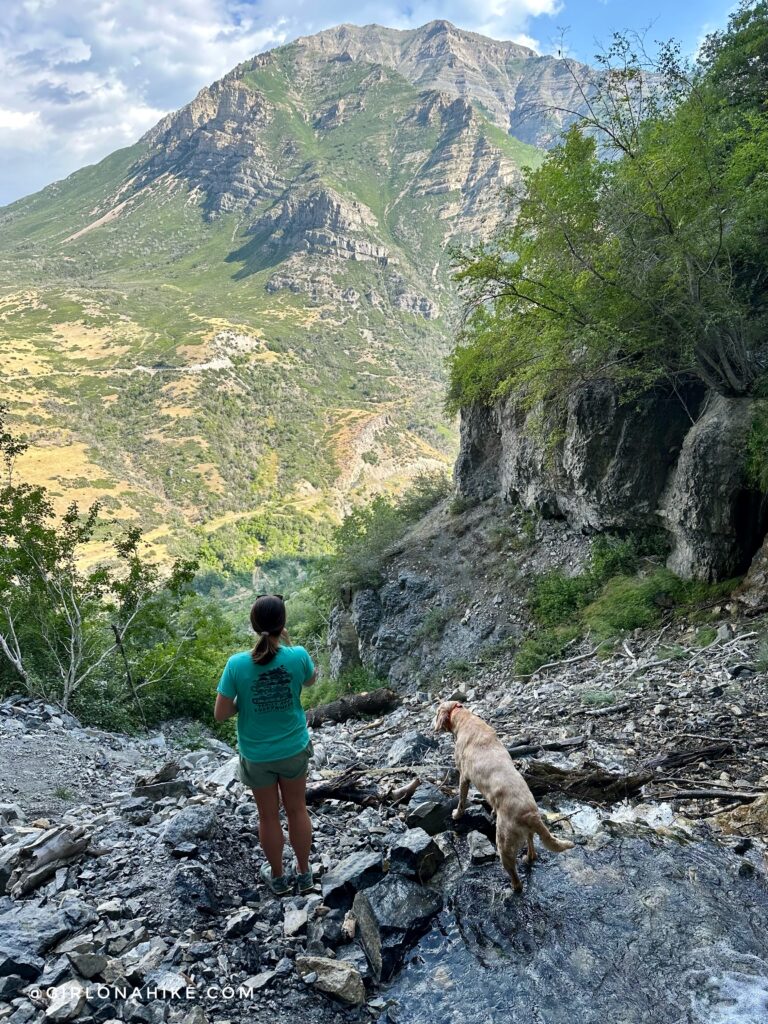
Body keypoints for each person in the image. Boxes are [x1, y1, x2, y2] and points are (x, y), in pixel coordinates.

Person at [214, 594, 317, 896]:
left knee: (268, 816)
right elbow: (310, 681)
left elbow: (220, 714)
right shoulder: (297, 655)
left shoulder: (236, 664)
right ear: (283, 624)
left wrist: (244, 703)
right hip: (293, 748)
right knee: (298, 810)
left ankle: (278, 877)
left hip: (257, 754)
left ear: (253, 624)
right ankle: (304, 872)